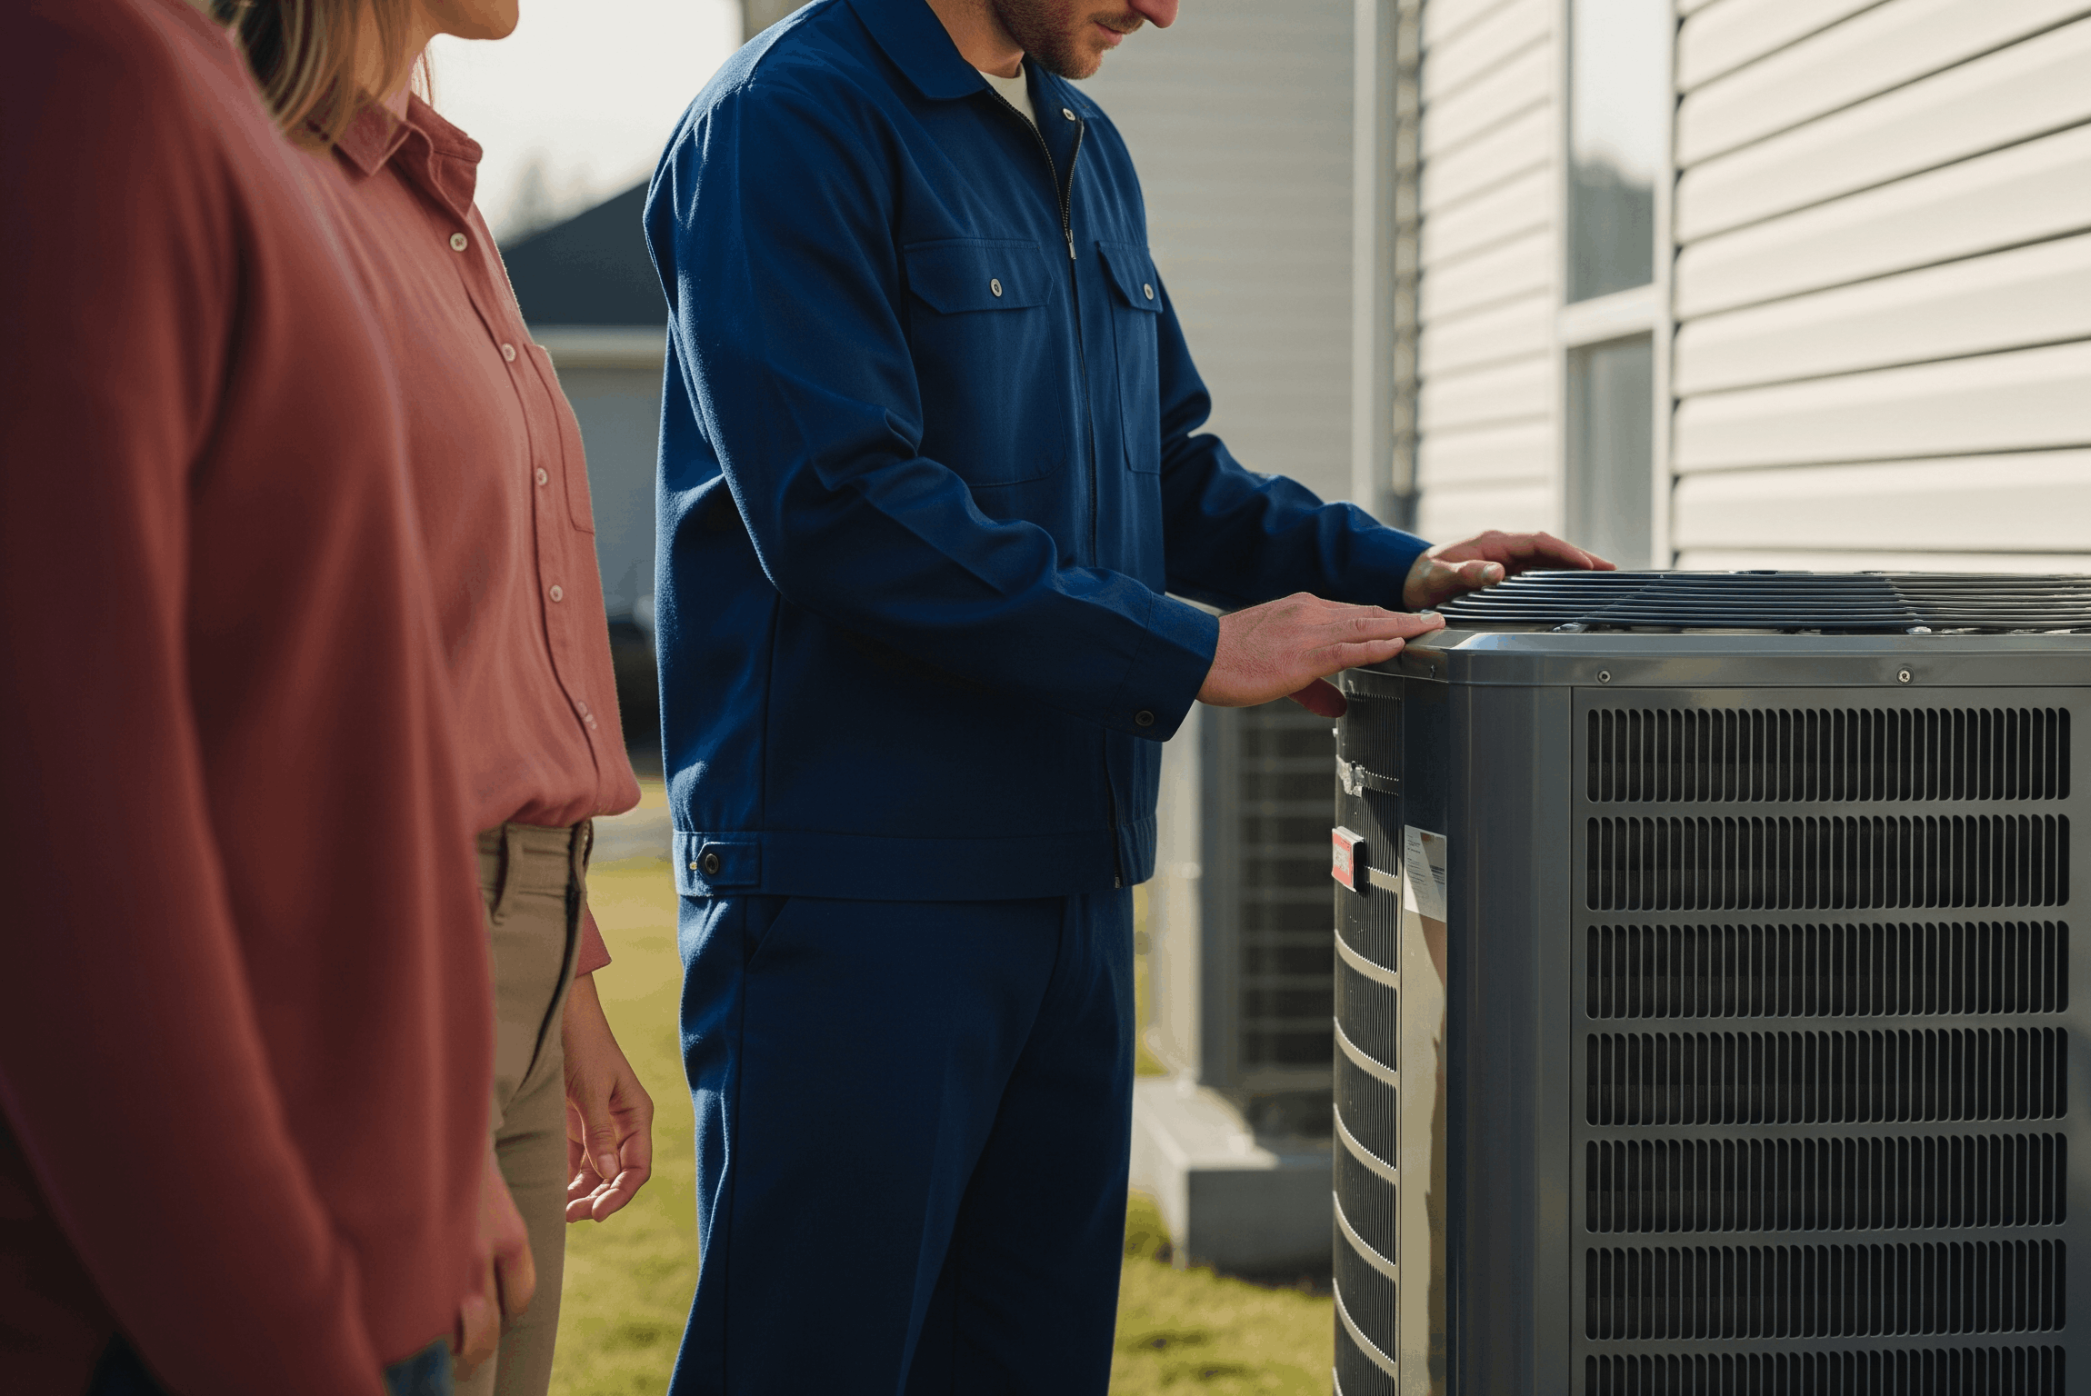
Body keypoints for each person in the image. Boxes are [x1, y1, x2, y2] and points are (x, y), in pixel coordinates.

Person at [645, 0, 1609, 1388]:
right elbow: (838, 505)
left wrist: (1405, 573)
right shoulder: (784, 122)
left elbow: (1165, 473)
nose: (1163, 5)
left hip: (1074, 895)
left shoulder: (1081, 140)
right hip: (857, 901)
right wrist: (1192, 651)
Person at [0, 0, 513, 1392]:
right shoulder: (82, 82)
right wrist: (283, 1339)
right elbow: (69, 848)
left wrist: (422, 1154)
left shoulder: (167, 82)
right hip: (197, 1322)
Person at [222, 1, 661, 1392]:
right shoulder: (268, 188)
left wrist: (571, 995)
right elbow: (279, 697)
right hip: (384, 964)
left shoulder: (441, 209)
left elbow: (465, 648)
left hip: (523, 966)